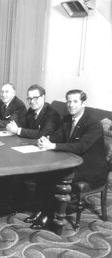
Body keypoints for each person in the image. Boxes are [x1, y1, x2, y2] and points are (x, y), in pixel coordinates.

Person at [26, 89, 108, 230]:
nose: (71, 105)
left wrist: (53, 145)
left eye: (75, 101)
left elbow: (81, 146)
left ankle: (48, 215)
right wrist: (47, 140)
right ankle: (41, 210)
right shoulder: (67, 119)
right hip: (73, 160)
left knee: (54, 176)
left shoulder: (93, 124)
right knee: (43, 173)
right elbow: (58, 136)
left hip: (90, 167)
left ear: (83, 103)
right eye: (69, 101)